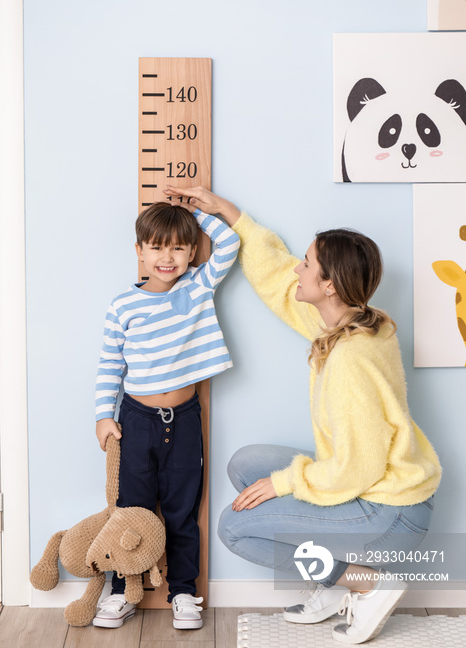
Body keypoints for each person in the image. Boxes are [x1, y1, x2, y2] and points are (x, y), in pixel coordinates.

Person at [163, 185, 442, 645]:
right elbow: (276, 277)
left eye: (307, 264)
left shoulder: (352, 360)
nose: (298, 267)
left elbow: (358, 467)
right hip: (378, 491)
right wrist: (229, 213)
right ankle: (334, 589)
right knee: (246, 464)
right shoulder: (353, 320)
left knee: (235, 529)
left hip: (391, 514)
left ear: (329, 284)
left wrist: (285, 483)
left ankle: (368, 582)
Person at [93, 201, 240, 630]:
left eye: (179, 248)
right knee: (131, 509)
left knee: (181, 509)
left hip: (186, 419)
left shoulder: (197, 286)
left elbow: (229, 242)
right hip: (136, 419)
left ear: (193, 252)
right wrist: (104, 415)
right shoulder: (123, 305)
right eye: (157, 248)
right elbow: (109, 365)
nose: (167, 257)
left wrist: (198, 214)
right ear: (139, 250)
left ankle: (183, 592)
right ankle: (122, 591)